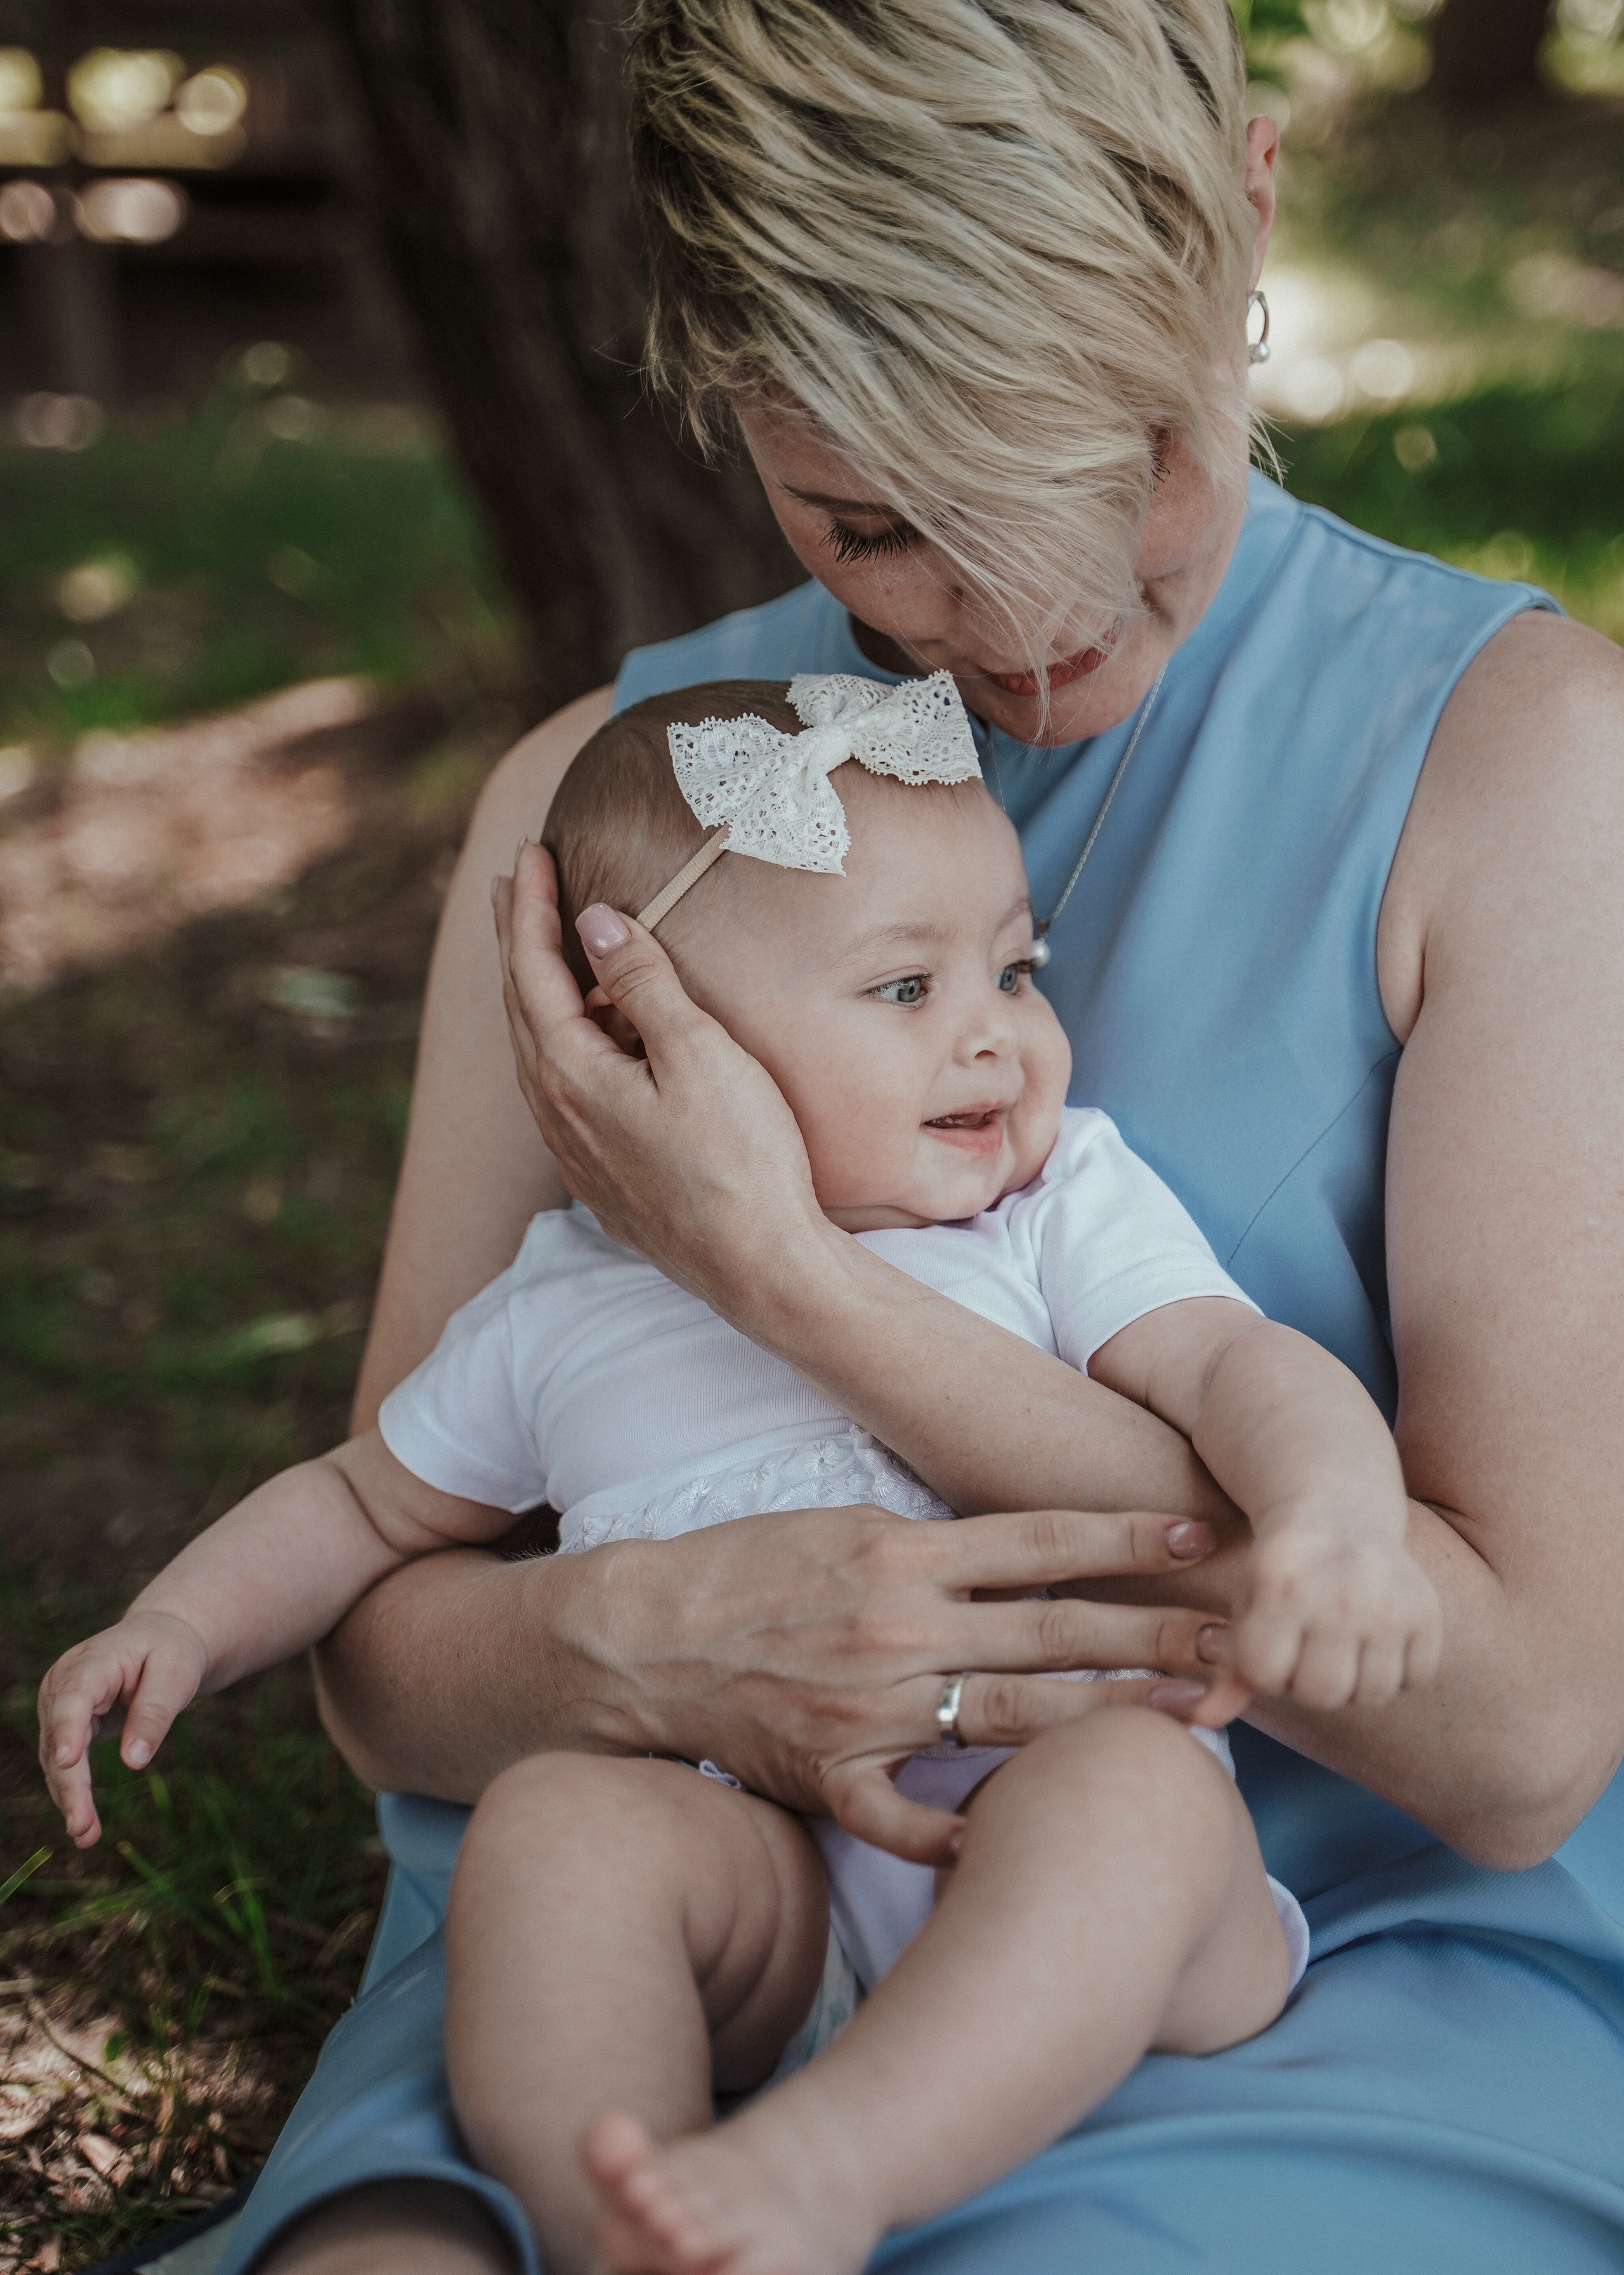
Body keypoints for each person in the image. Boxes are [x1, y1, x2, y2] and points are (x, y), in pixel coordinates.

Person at [195, 0, 1624, 2271]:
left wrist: (782, 1273)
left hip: (1272, 1962)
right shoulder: (603, 802)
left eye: (1118, 466)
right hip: (673, 1910)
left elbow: (1508, 1746)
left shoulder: (1522, 772)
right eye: (876, 527)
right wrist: (621, 1647)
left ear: (1250, 197)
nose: (1031, 618)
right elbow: (396, 1663)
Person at [46, 671, 1448, 2274]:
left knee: (1124, 1800)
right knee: (558, 1833)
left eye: (1012, 966)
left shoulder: (1049, 1211)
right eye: (905, 989)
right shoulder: (565, 1300)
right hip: (757, 1883)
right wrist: (182, 1622)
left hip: (1057, 1846)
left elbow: (1239, 1369)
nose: (995, 1029)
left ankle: (822, 2173)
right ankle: (618, 2209)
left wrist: (1335, 1516)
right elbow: (368, 1503)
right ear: (658, 1037)